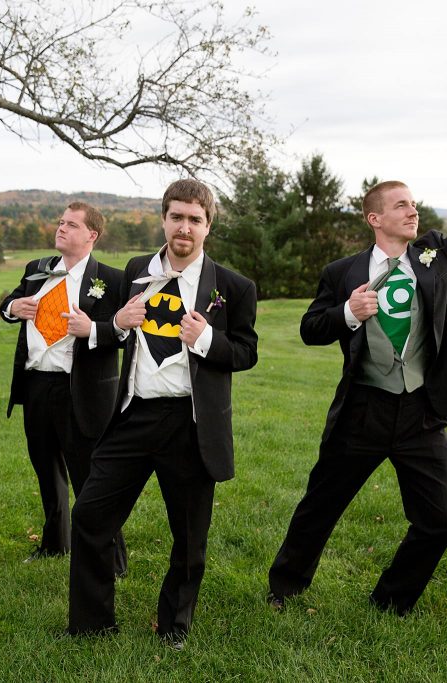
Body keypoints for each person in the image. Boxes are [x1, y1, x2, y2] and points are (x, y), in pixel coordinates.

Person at [267, 122, 447, 615]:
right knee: (320, 506)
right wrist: (348, 313)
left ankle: (390, 601)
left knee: (439, 521)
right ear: (374, 218)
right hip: (362, 409)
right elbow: (310, 328)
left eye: (414, 203)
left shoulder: (439, 257)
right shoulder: (342, 273)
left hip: (422, 413)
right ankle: (285, 588)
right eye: (401, 204)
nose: (413, 210)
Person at [67, 179, 259, 648]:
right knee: (90, 517)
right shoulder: (136, 270)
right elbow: (110, 329)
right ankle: (92, 623)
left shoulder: (233, 287)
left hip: (190, 426)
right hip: (133, 417)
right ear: (164, 219)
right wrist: (117, 323)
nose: (185, 228)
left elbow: (247, 352)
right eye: (177, 217)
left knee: (190, 539)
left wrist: (207, 339)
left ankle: (174, 626)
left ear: (208, 226)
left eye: (195, 219)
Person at [0, 201, 126, 574]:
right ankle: (56, 544)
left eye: (71, 225)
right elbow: (10, 303)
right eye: (60, 222)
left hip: (83, 391)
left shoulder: (112, 279)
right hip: (37, 384)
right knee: (46, 468)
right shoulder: (37, 271)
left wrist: (94, 330)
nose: (61, 229)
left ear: (92, 235)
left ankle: (112, 558)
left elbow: (126, 333)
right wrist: (12, 308)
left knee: (91, 475)